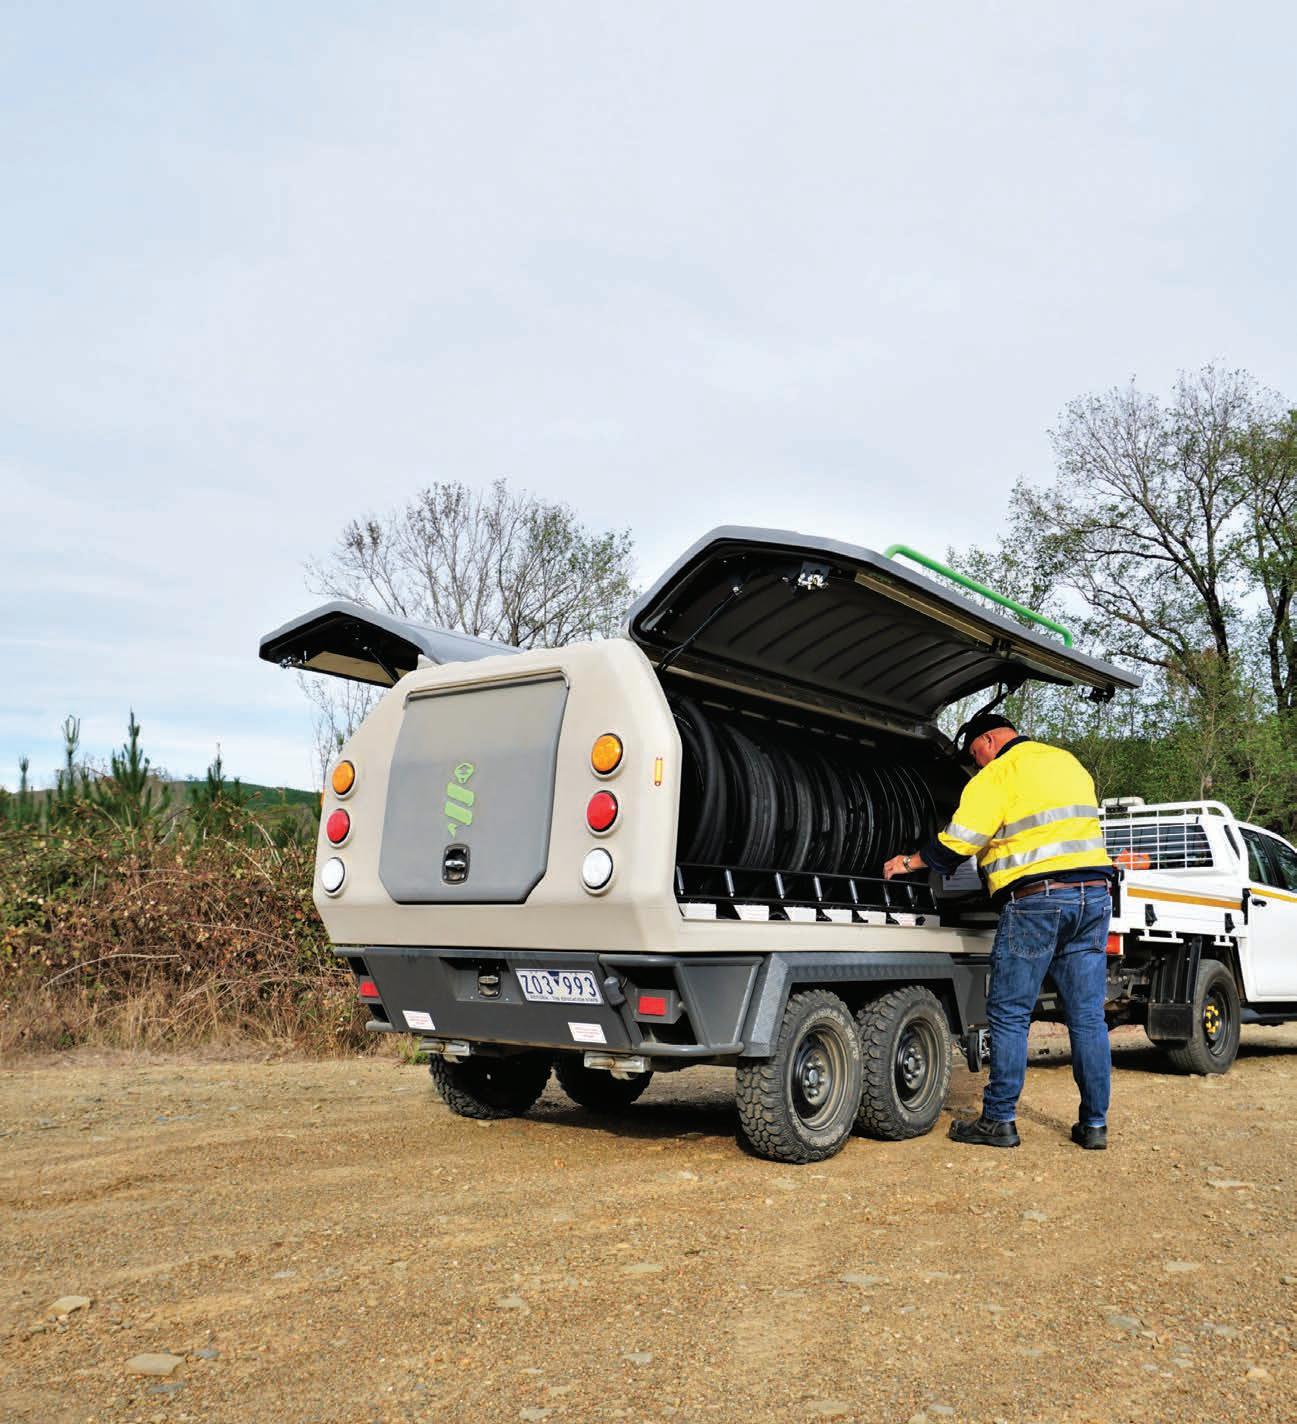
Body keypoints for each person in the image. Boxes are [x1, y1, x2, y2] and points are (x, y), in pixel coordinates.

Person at [882, 712, 1113, 1150]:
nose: (977, 765)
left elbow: (959, 841)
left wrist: (909, 862)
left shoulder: (999, 774)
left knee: (1009, 1014)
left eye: (975, 755)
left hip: (1037, 901)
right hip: (1094, 896)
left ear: (989, 740)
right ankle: (1094, 1125)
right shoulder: (1067, 761)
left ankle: (999, 1120)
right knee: (1087, 1017)